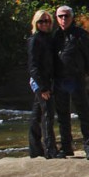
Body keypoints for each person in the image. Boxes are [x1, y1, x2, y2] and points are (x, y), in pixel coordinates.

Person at [53, 5, 89, 160]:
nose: (63, 19)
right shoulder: (55, 36)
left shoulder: (80, 35)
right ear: (56, 18)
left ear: (72, 17)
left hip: (76, 79)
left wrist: (84, 72)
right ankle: (66, 147)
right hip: (59, 80)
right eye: (60, 16)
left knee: (84, 113)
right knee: (62, 116)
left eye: (66, 16)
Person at [27, 9, 63, 159]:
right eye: (41, 21)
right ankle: (50, 150)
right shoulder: (34, 40)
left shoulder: (48, 38)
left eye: (47, 21)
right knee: (48, 114)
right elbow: (33, 66)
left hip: (48, 80)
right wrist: (43, 87)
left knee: (37, 115)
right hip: (40, 82)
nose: (44, 24)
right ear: (36, 23)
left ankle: (35, 150)